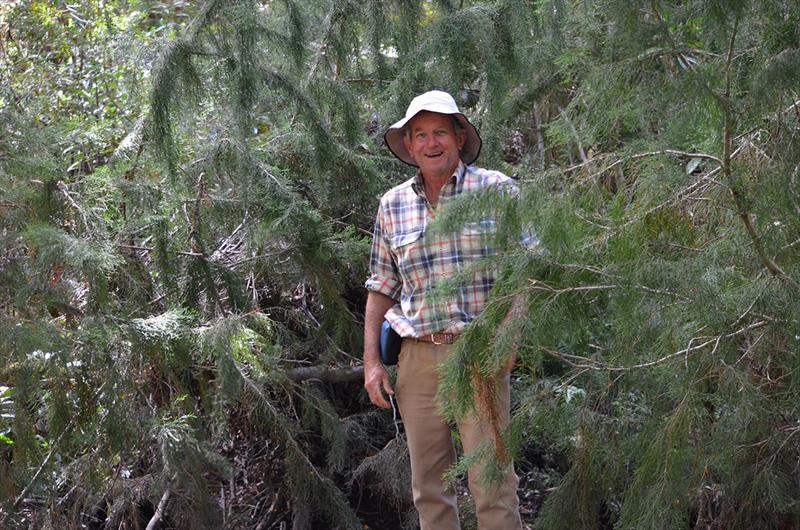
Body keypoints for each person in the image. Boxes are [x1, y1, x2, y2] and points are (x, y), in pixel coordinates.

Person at [363, 90, 525, 530]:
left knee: (492, 483)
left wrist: (509, 334)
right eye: (420, 135)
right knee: (429, 488)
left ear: (458, 137)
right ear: (410, 146)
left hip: (480, 353)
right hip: (416, 355)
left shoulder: (496, 190)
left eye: (440, 132)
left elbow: (526, 269)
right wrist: (372, 362)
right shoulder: (392, 205)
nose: (431, 143)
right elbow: (381, 286)